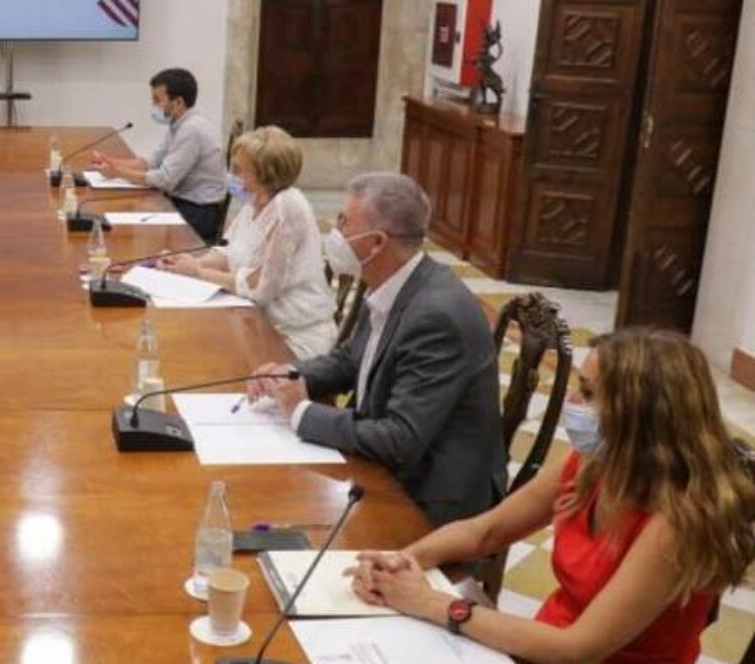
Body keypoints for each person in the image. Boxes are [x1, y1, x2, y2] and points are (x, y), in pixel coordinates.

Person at [348, 329, 755, 664]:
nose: (572, 403)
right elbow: (486, 531)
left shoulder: (679, 520)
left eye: (589, 394)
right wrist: (402, 561)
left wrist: (431, 603)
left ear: (640, 417)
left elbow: (579, 649)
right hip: (540, 644)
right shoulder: (593, 464)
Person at [248, 172, 505, 527]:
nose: (335, 232)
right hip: (390, 465)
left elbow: (400, 438)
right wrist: (292, 374)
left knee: (286, 512)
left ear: (377, 243)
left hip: (433, 497)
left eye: (345, 223)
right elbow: (350, 360)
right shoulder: (394, 282)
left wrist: (301, 412)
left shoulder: (436, 316)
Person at [157, 126, 336, 358]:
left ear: (264, 174)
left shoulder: (287, 207)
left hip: (291, 337)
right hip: (255, 322)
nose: (232, 176)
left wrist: (198, 273)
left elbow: (262, 289)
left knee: (199, 354)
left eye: (239, 170)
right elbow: (228, 252)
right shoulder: (256, 201)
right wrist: (192, 263)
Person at [90, 68, 227, 243]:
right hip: (184, 203)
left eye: (157, 100)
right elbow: (153, 163)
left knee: (131, 229)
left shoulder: (191, 130)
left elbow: (164, 180)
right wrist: (112, 162)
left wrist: (118, 172)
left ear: (178, 102)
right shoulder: (179, 124)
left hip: (198, 213)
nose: (154, 106)